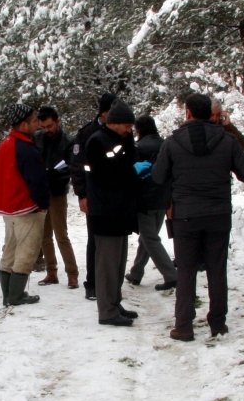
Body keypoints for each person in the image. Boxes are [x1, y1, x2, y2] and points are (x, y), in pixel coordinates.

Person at [152, 93, 244, 341]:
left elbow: (158, 177)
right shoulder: (227, 140)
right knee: (217, 270)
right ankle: (218, 324)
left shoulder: (172, 143)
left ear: (187, 113)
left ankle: (184, 326)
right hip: (218, 215)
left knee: (186, 271)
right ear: (213, 114)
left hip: (185, 216)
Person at [0, 104, 51, 306]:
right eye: (34, 121)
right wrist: (43, 204)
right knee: (26, 252)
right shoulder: (25, 149)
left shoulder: (4, 144)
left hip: (10, 208)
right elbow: (37, 181)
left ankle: (9, 294)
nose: (37, 124)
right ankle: (15, 295)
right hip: (25, 207)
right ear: (23, 125)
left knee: (10, 250)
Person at [85, 99, 141, 327]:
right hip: (105, 211)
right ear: (115, 123)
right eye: (127, 126)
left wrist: (129, 145)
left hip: (120, 210)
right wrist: (131, 171)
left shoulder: (122, 139)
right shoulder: (97, 141)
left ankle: (115, 303)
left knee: (118, 263)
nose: (130, 130)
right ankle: (106, 310)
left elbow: (129, 160)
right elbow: (104, 174)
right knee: (107, 264)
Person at [70, 92, 116, 300]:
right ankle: (93, 284)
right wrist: (82, 195)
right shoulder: (87, 133)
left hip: (115, 195)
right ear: (104, 112)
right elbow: (78, 165)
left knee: (114, 239)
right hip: (94, 194)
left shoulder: (119, 131)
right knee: (94, 239)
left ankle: (112, 283)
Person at [125, 114, 177, 291]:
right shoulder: (166, 145)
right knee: (148, 238)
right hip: (163, 199)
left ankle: (171, 275)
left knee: (150, 239)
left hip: (145, 200)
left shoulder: (138, 148)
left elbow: (133, 175)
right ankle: (136, 273)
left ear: (138, 131)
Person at [33, 106, 79, 288]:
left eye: (50, 126)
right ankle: (51, 272)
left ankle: (72, 274)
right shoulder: (36, 137)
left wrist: (53, 173)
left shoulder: (69, 140)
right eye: (43, 127)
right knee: (44, 236)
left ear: (58, 122)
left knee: (61, 235)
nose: (47, 130)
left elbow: (71, 166)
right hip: (41, 191)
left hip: (58, 191)